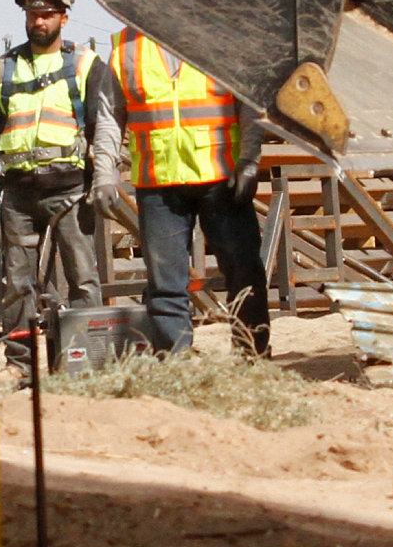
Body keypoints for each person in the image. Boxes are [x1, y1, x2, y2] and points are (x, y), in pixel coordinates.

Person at [107, 22, 273, 358]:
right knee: (165, 283)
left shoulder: (224, 37)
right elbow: (110, 115)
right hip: (158, 181)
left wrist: (249, 160)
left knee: (244, 269)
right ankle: (175, 361)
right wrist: (104, 172)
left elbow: (250, 103)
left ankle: (253, 356)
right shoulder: (126, 46)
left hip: (221, 177)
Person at [0, 0, 112, 363]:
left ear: (63, 17)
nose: (38, 21)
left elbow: (104, 124)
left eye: (47, 14)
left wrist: (103, 174)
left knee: (83, 280)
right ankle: (20, 364)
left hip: (70, 189)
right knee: (17, 283)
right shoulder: (3, 69)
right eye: (33, 14)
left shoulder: (85, 65)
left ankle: (87, 361)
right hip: (18, 192)